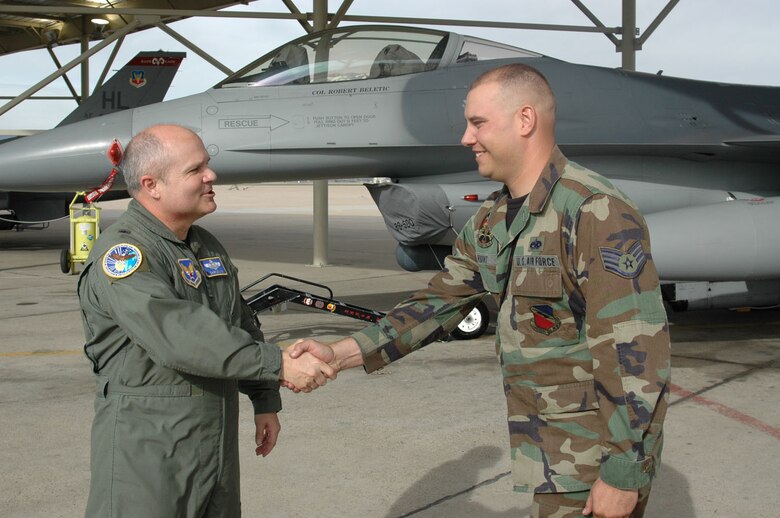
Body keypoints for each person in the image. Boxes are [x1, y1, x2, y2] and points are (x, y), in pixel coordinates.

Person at [290, 64, 671, 518]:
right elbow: (437, 304)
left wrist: (623, 474)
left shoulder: (594, 211)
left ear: (525, 120)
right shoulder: (493, 219)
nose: (466, 139)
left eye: (478, 123)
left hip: (594, 460)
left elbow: (635, 351)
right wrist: (342, 353)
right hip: (551, 451)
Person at [77, 124, 335, 517]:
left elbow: (240, 324)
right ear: (152, 185)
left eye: (207, 165)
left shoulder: (204, 245)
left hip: (213, 445)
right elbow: (181, 334)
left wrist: (265, 399)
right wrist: (279, 364)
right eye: (195, 169)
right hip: (149, 451)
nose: (211, 176)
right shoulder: (125, 255)